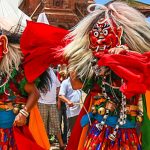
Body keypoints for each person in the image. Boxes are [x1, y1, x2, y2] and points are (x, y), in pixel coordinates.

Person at [62, 1, 150, 150]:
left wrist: (125, 56)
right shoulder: (95, 67)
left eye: (106, 33)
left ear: (120, 34)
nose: (101, 39)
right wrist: (75, 55)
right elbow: (76, 84)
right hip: (99, 130)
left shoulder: (135, 62)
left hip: (127, 133)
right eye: (96, 34)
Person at [38, 67, 65, 149]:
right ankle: (45, 145)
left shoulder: (53, 71)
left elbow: (58, 86)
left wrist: (58, 100)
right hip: (41, 102)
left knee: (56, 124)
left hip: (53, 103)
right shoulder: (39, 70)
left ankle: (61, 145)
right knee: (43, 126)